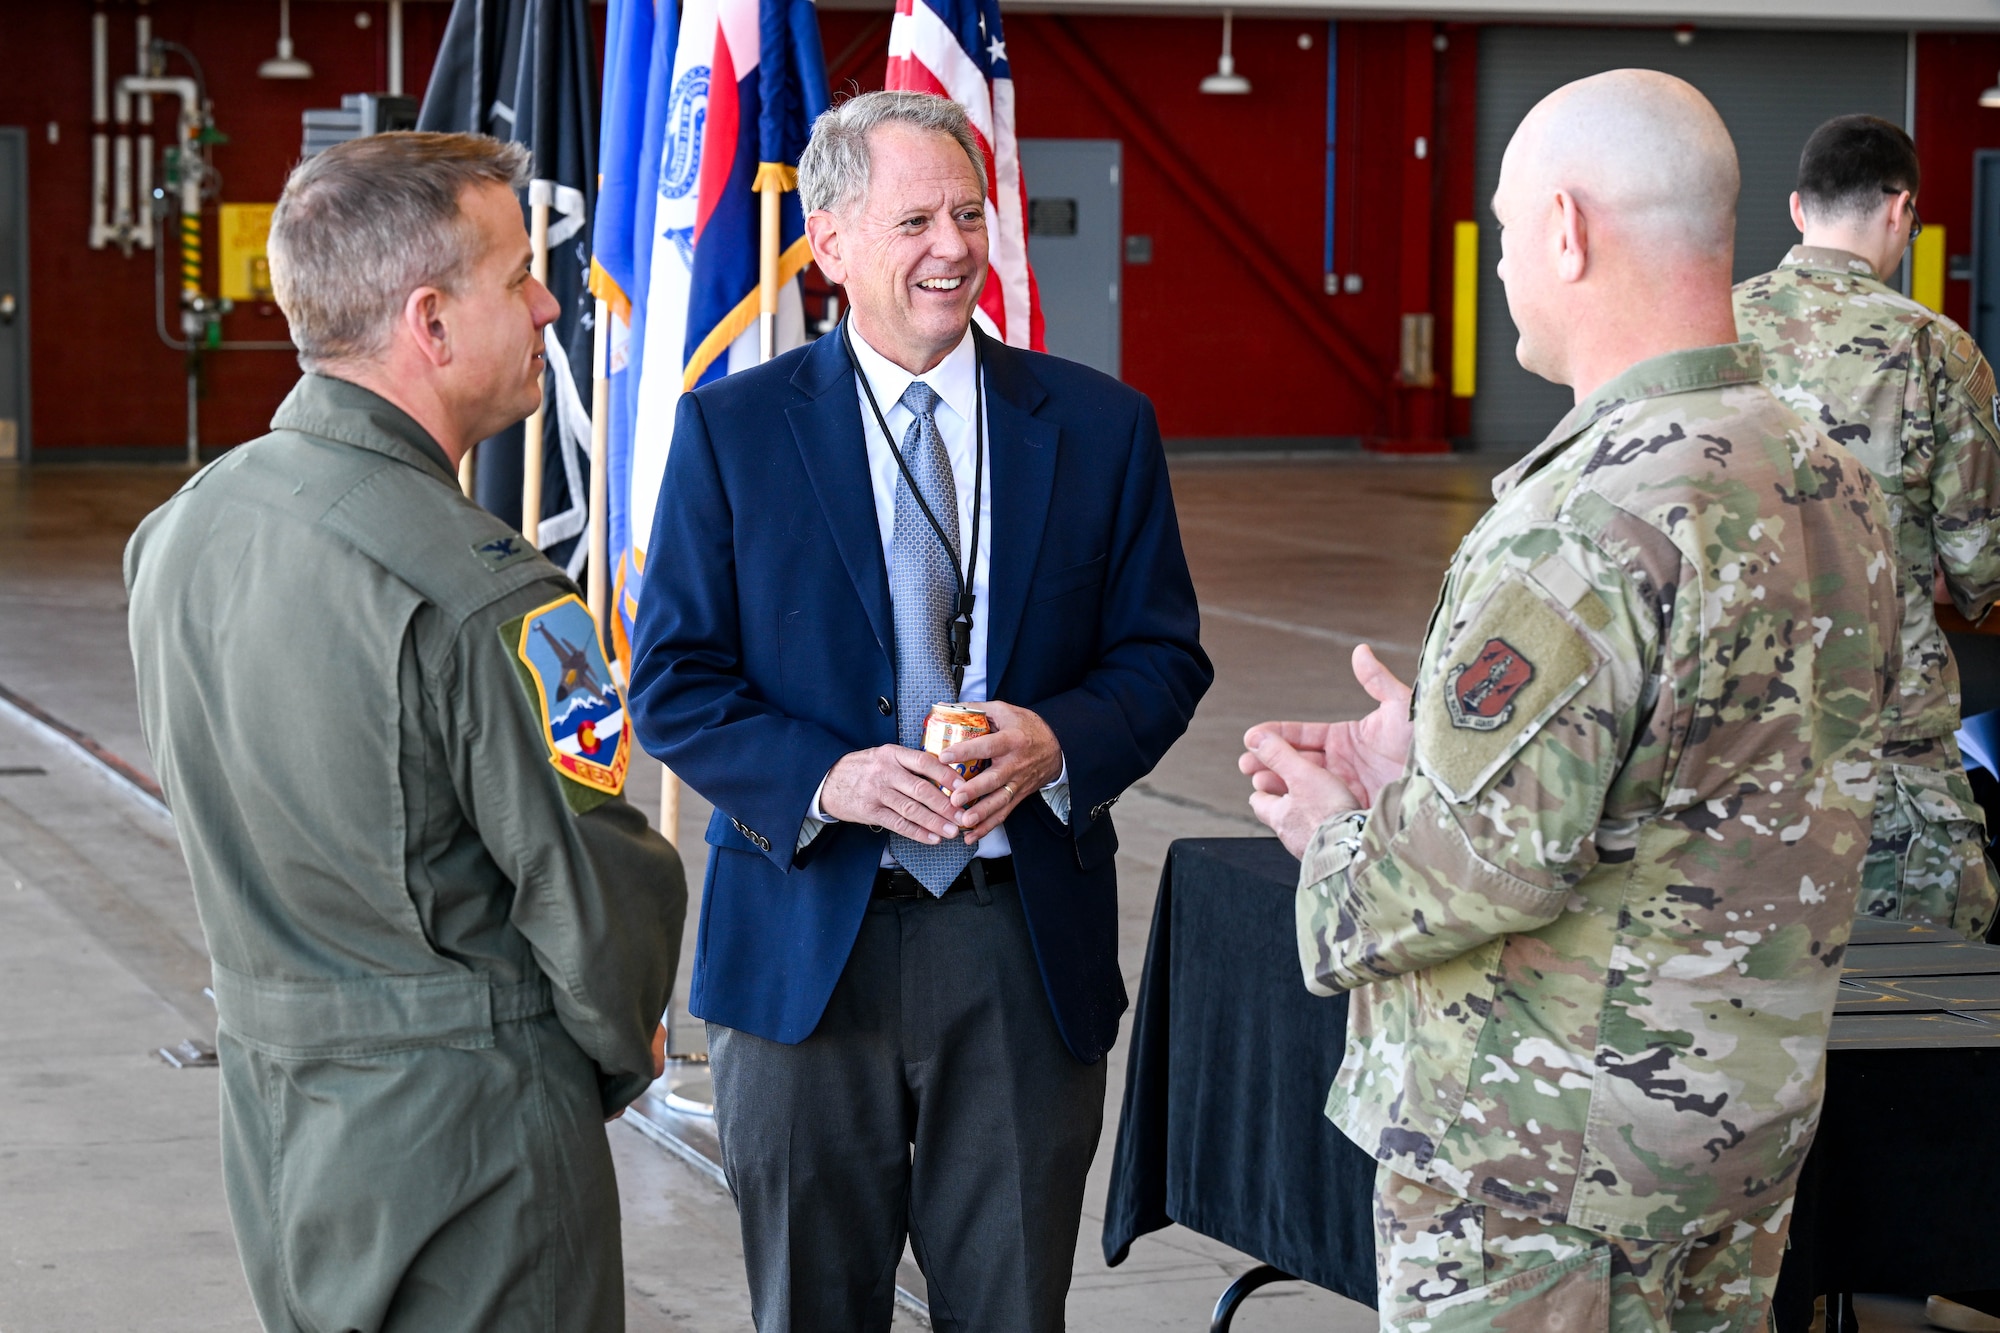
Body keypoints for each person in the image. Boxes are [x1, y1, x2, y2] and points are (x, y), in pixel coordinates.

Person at [1241, 71, 1898, 1330]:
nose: (1497, 265)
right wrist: (1431, 759)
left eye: (1500, 229)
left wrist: (1334, 830)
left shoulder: (1582, 520)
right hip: (1730, 1149)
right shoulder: (1821, 476)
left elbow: (1479, 870)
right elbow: (1704, 779)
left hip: (1540, 1176)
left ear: (1564, 229)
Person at [627, 90, 1211, 1332]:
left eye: (968, 213)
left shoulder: (1098, 427)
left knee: (1009, 1309)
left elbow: (1161, 657)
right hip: (805, 945)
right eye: (914, 222)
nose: (953, 246)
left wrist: (1059, 740)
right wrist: (827, 778)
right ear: (830, 243)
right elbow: (672, 680)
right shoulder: (731, 431)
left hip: (1016, 944)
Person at [125, 132, 686, 1333]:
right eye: (519, 276)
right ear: (429, 321)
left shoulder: (181, 532)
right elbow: (593, 894)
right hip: (479, 1155)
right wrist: (599, 1050)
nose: (548, 304)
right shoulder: (491, 594)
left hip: (283, 1137)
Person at [1736, 113, 2000, 944]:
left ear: (1797, 208)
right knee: (1929, 973)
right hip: (1886, 743)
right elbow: (1978, 565)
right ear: (1900, 210)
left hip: (1730, 736)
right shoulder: (1937, 352)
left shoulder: (1711, 331)